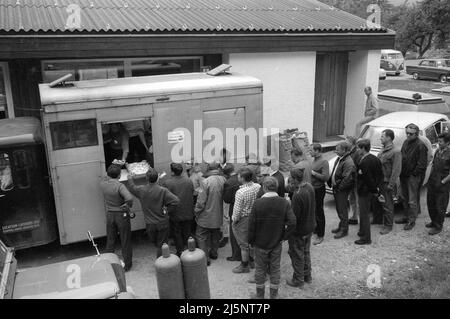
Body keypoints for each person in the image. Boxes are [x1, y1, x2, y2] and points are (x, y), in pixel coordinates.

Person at [248, 177, 296, 299]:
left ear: (264, 187)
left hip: (260, 243)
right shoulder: (284, 202)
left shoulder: (257, 203)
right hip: (276, 243)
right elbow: (292, 222)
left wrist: (250, 241)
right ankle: (273, 296)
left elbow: (251, 225)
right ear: (277, 187)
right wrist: (284, 237)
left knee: (260, 270)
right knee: (275, 269)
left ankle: (260, 296)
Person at [126, 168, 179, 258]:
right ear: (157, 178)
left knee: (157, 243)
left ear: (146, 178)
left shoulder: (141, 190)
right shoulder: (163, 190)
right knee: (162, 245)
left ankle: (161, 261)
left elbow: (131, 187)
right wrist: (166, 210)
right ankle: (163, 263)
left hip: (150, 224)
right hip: (163, 222)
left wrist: (130, 178)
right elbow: (176, 201)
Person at [100, 164, 134, 271]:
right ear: (119, 176)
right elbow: (129, 198)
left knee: (110, 240)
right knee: (125, 240)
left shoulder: (103, 184)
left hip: (110, 214)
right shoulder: (120, 186)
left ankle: (109, 264)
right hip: (121, 215)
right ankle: (127, 265)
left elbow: (105, 177)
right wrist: (127, 205)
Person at [286, 168, 315, 289]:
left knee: (297, 254)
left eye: (290, 177)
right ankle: (307, 276)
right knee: (306, 252)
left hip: (299, 231)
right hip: (309, 227)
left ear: (293, 179)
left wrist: (287, 232)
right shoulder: (309, 187)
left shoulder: (298, 195)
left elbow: (294, 218)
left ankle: (298, 279)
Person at [397, 123, 428, 231]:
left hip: (412, 177)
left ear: (417, 134)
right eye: (407, 133)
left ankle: (411, 220)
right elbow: (402, 156)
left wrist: (414, 174)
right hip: (404, 175)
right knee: (404, 198)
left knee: (412, 200)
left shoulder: (421, 145)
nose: (408, 135)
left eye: (411, 134)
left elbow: (422, 164)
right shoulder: (405, 142)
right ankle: (406, 216)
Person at [194, 163, 226, 266]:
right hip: (218, 214)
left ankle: (205, 258)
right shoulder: (223, 179)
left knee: (200, 235)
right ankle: (214, 253)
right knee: (215, 233)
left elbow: (201, 201)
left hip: (206, 215)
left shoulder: (205, 182)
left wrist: (196, 211)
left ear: (208, 169)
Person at [231, 167, 261, 273]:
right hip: (255, 217)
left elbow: (237, 210)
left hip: (243, 219)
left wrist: (234, 221)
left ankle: (244, 266)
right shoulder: (258, 186)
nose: (237, 176)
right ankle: (252, 261)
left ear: (242, 178)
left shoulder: (240, 192)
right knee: (252, 240)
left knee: (243, 243)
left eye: (239, 175)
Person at [354, 139, 383, 245]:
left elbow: (368, 178)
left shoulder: (365, 161)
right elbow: (380, 175)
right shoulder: (375, 158)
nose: (357, 150)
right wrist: (376, 189)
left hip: (365, 191)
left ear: (363, 148)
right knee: (364, 213)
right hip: (371, 190)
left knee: (364, 215)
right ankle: (362, 231)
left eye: (358, 148)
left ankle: (366, 238)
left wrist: (374, 190)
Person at [162, 163, 195, 256]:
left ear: (172, 172)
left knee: (176, 232)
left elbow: (164, 197)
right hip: (188, 211)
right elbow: (192, 192)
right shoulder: (189, 181)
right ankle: (190, 249)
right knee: (187, 231)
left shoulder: (168, 183)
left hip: (175, 213)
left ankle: (180, 251)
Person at [328, 141, 356, 239]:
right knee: (339, 209)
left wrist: (339, 188)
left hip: (341, 190)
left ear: (344, 150)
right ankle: (341, 226)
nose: (335, 151)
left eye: (338, 149)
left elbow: (347, 179)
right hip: (337, 188)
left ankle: (344, 230)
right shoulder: (340, 158)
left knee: (342, 209)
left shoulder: (348, 162)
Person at [377, 129, 402, 235]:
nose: (380, 138)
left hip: (387, 182)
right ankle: (378, 220)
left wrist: (391, 184)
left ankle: (388, 225)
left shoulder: (395, 151)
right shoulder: (383, 149)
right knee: (381, 202)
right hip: (381, 181)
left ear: (389, 138)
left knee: (388, 205)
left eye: (382, 136)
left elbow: (396, 170)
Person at [426, 132, 450, 235]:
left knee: (440, 205)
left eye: (440, 141)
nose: (438, 143)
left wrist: (443, 182)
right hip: (432, 181)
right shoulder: (437, 151)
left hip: (443, 183)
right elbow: (433, 165)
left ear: (447, 142)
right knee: (431, 203)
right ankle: (433, 221)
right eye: (438, 141)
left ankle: (438, 226)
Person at [310, 144, 330, 245]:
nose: (310, 152)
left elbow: (326, 177)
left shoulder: (324, 161)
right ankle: (317, 229)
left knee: (319, 212)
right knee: (314, 210)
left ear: (317, 151)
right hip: (313, 189)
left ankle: (320, 235)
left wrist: (313, 173)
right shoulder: (314, 160)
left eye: (311, 150)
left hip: (319, 189)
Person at [222, 164, 242, 262]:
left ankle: (236, 255)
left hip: (234, 209)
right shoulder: (243, 177)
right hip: (246, 208)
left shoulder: (228, 182)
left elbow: (226, 199)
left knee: (234, 233)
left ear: (226, 174)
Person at [346, 136, 362, 225]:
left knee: (357, 199)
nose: (345, 142)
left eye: (346, 141)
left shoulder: (356, 152)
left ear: (351, 143)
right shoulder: (350, 152)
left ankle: (359, 219)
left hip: (356, 180)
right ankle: (354, 217)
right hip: (351, 180)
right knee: (352, 198)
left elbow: (358, 166)